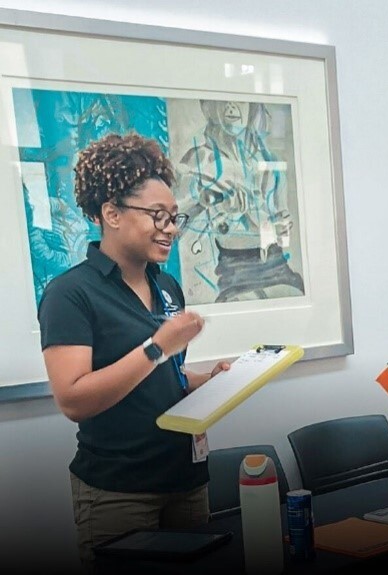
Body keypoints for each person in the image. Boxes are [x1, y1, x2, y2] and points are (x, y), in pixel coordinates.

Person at [37, 133, 229, 567]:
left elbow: (167, 378)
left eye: (175, 217)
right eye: (157, 216)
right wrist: (158, 347)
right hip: (118, 492)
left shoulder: (166, 285)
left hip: (187, 480)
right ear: (112, 214)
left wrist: (210, 381)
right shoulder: (70, 294)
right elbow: (73, 399)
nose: (171, 229)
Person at [176, 100, 303, 303]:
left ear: (252, 107)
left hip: (278, 265)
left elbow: (282, 225)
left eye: (238, 101)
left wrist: (281, 227)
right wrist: (203, 200)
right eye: (223, 101)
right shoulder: (198, 160)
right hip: (236, 272)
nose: (231, 107)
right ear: (209, 107)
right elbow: (171, 223)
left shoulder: (270, 161)